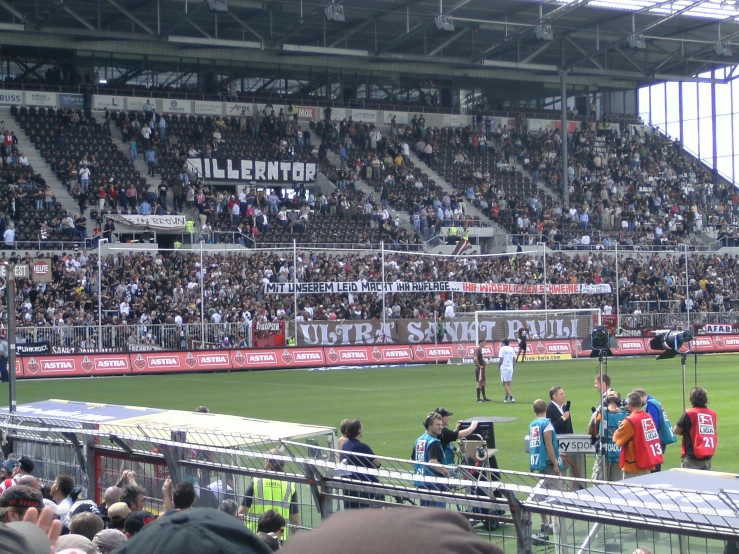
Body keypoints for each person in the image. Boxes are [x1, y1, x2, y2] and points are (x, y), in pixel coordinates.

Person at [238, 449, 299, 535]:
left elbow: (241, 512)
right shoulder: (290, 486)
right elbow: (295, 520)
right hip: (278, 537)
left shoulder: (256, 482)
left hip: (255, 535)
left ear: (268, 463)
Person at [528, 399, 564, 535]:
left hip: (538, 461)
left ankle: (545, 523)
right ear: (547, 409)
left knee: (542, 493)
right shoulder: (546, 423)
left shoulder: (533, 424)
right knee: (555, 493)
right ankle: (554, 525)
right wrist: (556, 463)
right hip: (548, 461)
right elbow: (548, 445)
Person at [613, 392, 664, 478]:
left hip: (634, 466)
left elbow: (616, 439)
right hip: (647, 463)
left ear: (629, 405)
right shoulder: (648, 416)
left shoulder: (629, 421)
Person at [340, 419, 381, 509]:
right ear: (358, 430)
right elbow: (377, 464)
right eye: (361, 428)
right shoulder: (362, 447)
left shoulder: (345, 445)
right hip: (363, 486)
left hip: (348, 484)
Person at [412, 412, 450, 508]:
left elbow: (412, 460)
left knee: (426, 516)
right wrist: (446, 472)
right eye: (437, 425)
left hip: (422, 483)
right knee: (437, 517)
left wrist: (421, 469)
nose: (441, 427)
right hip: (435, 485)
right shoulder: (434, 442)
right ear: (429, 426)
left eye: (441, 424)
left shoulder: (419, 440)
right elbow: (433, 463)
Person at [674, 386, 717, 470]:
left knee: (689, 482)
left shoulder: (690, 413)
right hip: (707, 456)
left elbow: (676, 430)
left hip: (691, 457)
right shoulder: (712, 414)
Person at [633, 388, 676, 472]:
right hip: (661, 438)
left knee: (655, 467)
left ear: (640, 397)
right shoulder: (654, 401)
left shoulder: (651, 404)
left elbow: (653, 425)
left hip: (658, 440)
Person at [587, 391, 626, 481]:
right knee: (617, 483)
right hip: (618, 453)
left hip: (604, 453)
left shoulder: (599, 413)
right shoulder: (625, 414)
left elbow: (590, 431)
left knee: (599, 482)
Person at [498, 338, 516, 403]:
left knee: (505, 383)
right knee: (508, 383)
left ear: (504, 343)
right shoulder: (512, 349)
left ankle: (511, 397)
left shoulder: (502, 349)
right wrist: (513, 367)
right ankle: (506, 397)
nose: (500, 344)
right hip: (510, 367)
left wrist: (499, 367)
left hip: (504, 367)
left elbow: (501, 360)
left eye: (501, 342)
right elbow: (514, 359)